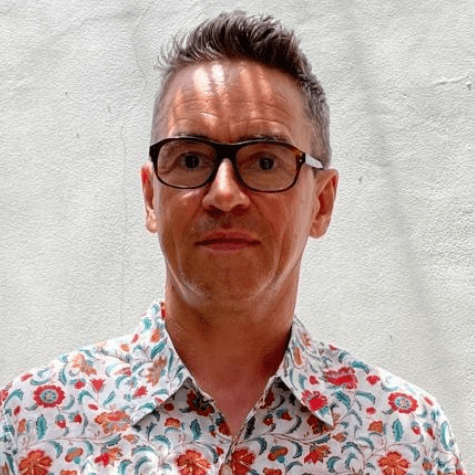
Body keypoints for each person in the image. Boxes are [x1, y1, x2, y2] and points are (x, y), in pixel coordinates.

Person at [0, 11, 466, 475]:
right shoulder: (31, 425)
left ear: (321, 203)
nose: (224, 194)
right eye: (191, 159)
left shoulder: (408, 438)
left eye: (265, 162)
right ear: (150, 198)